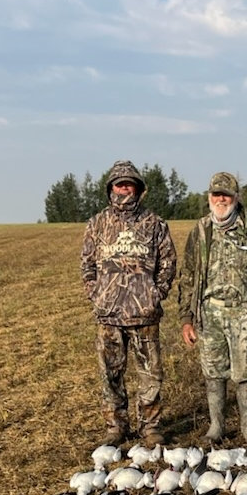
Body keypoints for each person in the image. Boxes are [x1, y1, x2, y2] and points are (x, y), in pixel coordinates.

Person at [80, 159, 177, 447]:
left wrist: (155, 294)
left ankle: (150, 427)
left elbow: (168, 262)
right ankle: (116, 427)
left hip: (144, 314)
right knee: (110, 374)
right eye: (119, 184)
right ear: (111, 188)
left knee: (151, 375)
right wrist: (97, 294)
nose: (124, 189)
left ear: (138, 188)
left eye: (129, 184)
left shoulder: (154, 223)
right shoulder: (97, 224)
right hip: (109, 315)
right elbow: (87, 265)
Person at [177, 172, 247, 446]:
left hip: (244, 312)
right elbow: (187, 276)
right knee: (213, 371)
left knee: (245, 373)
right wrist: (187, 318)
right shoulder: (200, 231)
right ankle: (217, 426)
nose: (221, 199)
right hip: (210, 312)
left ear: (236, 197)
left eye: (226, 195)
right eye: (216, 194)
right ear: (209, 197)